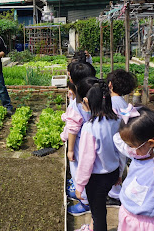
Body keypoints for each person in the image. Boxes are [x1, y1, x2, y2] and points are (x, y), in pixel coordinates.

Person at [74, 77, 122, 231]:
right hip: (113, 172)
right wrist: (120, 173)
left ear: (88, 102)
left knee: (98, 211)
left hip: (97, 179)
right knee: (99, 207)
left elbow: (86, 161)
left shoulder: (90, 128)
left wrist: (79, 185)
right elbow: (121, 151)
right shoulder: (117, 121)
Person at [64, 61, 97, 216]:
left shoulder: (77, 104)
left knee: (80, 172)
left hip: (80, 144)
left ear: (72, 80)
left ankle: (84, 202)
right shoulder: (96, 96)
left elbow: (72, 129)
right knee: (92, 171)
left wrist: (70, 150)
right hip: (95, 142)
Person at [105, 69, 138, 206]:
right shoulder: (123, 103)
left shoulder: (111, 103)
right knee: (119, 167)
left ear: (110, 85)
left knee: (113, 170)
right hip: (122, 141)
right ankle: (116, 191)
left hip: (114, 142)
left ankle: (116, 196)